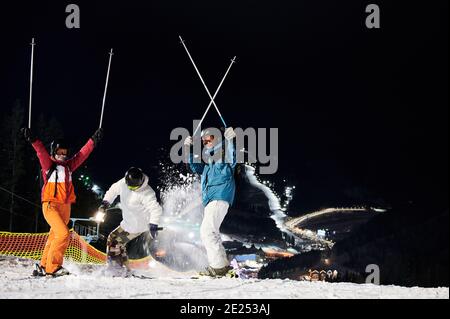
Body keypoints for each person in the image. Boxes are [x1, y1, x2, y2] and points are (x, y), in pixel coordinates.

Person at [21, 127, 103, 277]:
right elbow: (41, 152)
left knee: (54, 236)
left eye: (64, 153)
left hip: (65, 207)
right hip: (51, 205)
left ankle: (44, 265)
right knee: (63, 234)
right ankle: (53, 267)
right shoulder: (49, 165)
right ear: (54, 151)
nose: (62, 155)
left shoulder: (69, 167)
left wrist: (93, 141)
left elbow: (82, 155)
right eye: (59, 152)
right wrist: (33, 140)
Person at [184, 127, 237, 277]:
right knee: (212, 232)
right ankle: (223, 266)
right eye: (203, 140)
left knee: (206, 231)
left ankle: (218, 267)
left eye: (209, 138)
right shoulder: (208, 161)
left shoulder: (224, 153)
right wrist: (189, 148)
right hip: (210, 199)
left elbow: (233, 158)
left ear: (217, 138)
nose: (206, 141)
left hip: (220, 196)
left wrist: (231, 140)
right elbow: (195, 167)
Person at [98, 167, 162, 272]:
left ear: (141, 182)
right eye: (130, 187)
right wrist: (105, 203)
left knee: (114, 239)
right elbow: (113, 190)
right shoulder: (123, 183)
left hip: (138, 225)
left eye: (135, 187)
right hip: (127, 222)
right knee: (118, 242)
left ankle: (115, 268)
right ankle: (124, 267)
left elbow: (156, 209)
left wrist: (153, 224)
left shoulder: (147, 192)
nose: (132, 189)